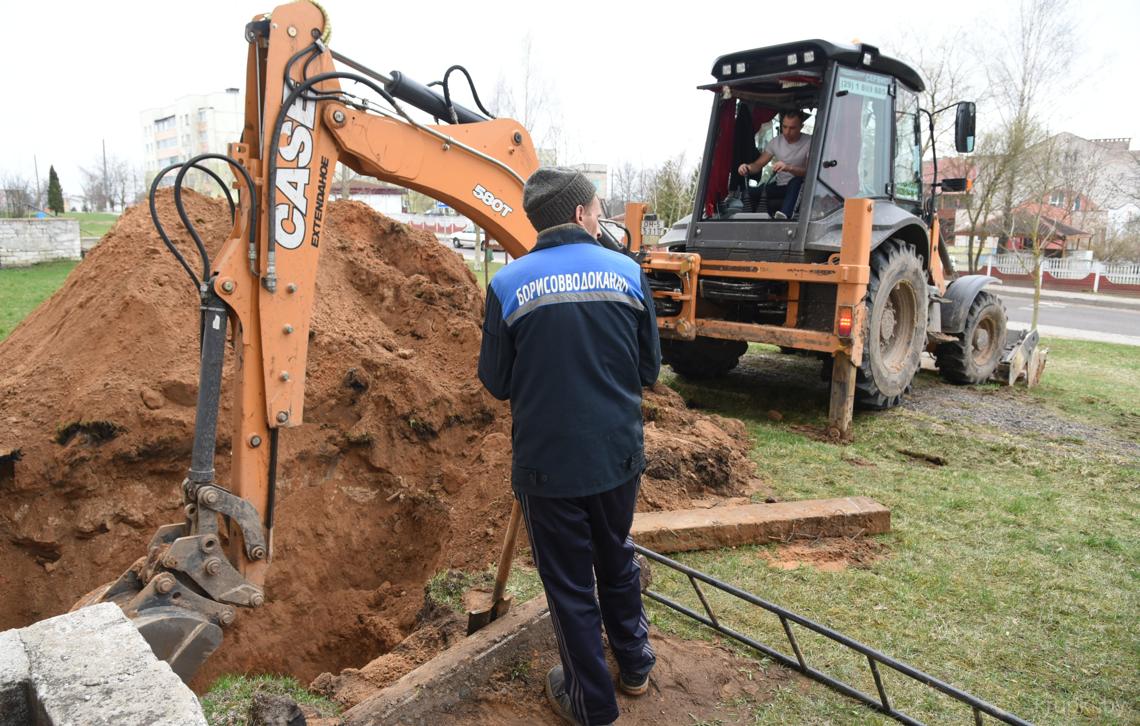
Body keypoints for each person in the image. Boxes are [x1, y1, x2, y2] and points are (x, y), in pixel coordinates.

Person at [478, 166, 661, 726]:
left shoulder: (508, 285)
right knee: (616, 557)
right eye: (599, 208)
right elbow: (649, 371)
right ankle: (634, 665)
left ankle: (591, 704)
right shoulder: (628, 274)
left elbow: (497, 381)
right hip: (617, 457)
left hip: (548, 468)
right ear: (580, 214)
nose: (602, 216)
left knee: (569, 584)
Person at [737, 109, 811, 220]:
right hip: (780, 186)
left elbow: (809, 172)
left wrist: (788, 168)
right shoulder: (776, 142)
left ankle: (783, 217)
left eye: (792, 128)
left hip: (800, 187)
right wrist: (747, 167)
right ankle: (752, 220)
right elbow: (758, 165)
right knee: (748, 193)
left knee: (796, 181)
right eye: (784, 127)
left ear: (801, 126)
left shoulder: (810, 142)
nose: (787, 132)